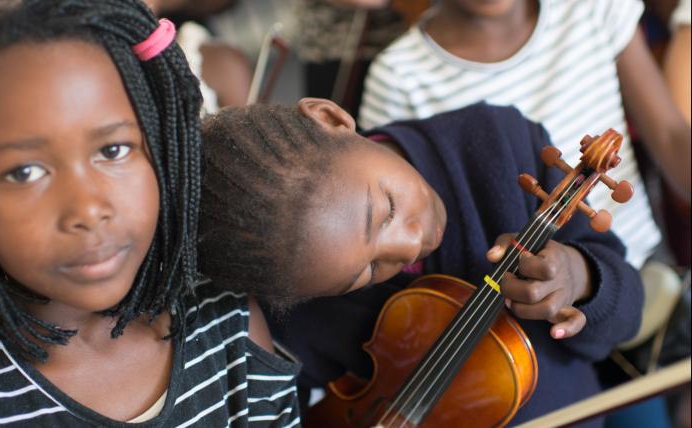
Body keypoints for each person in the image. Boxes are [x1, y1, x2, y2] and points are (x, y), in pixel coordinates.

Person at [0, 1, 300, 426]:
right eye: (24, 172)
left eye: (113, 150)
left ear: (163, 151)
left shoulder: (230, 323)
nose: (88, 210)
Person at [198, 98, 644, 426]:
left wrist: (581, 279)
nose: (410, 246)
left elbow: (627, 320)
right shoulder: (302, 305)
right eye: (366, 273)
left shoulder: (493, 143)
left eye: (387, 210)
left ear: (330, 118)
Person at [358, 0, 692, 274]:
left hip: (645, 268)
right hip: (513, 298)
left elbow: (671, 136)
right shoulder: (397, 75)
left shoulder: (590, 7)